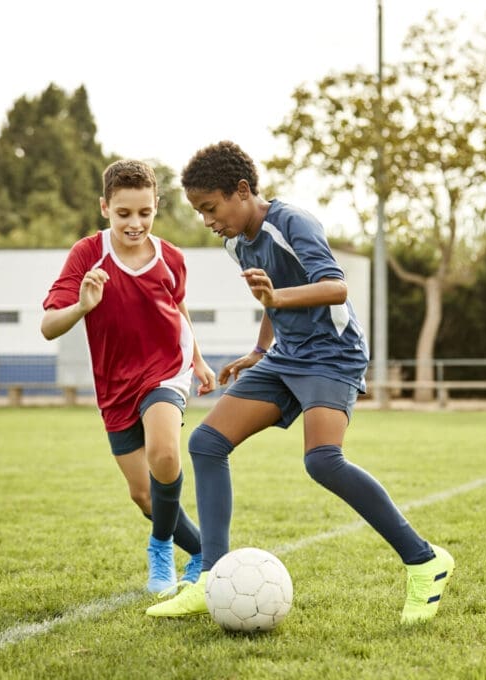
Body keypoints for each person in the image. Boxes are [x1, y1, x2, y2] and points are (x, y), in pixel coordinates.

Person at [146, 141, 454, 624]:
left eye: (210, 207)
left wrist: (278, 297)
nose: (207, 220)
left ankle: (425, 560)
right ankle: (212, 577)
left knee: (323, 461)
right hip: (285, 356)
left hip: (332, 355)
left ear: (242, 191)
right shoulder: (235, 241)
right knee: (207, 443)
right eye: (200, 211)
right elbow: (270, 297)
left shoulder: (292, 222)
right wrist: (259, 350)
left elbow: (336, 286)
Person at [41, 159, 217, 595]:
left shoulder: (172, 257)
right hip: (114, 385)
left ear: (156, 205)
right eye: (124, 214)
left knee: (165, 453)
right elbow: (48, 326)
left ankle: (159, 547)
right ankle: (199, 551)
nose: (135, 223)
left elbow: (177, 309)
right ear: (105, 207)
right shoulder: (86, 255)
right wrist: (83, 306)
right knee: (143, 495)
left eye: (145, 212)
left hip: (165, 372)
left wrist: (197, 359)